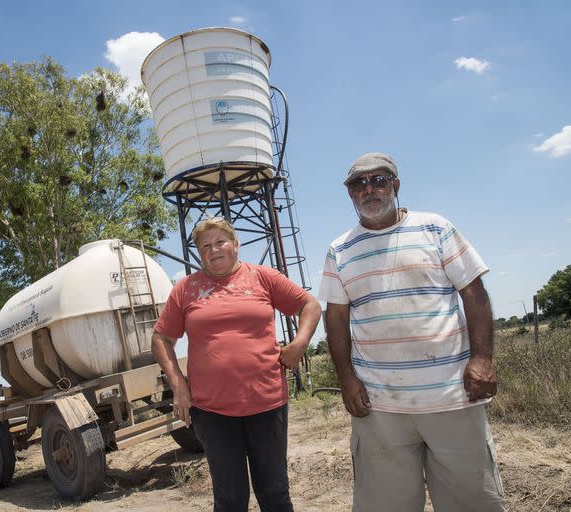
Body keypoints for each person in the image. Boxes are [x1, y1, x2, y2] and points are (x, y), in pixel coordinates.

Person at [318, 152, 505, 511]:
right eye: (359, 183)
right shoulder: (339, 250)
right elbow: (336, 319)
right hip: (380, 406)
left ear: (396, 186)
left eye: (379, 180)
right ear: (350, 194)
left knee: (472, 500)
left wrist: (482, 358)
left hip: (453, 395)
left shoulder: (435, 228)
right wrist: (347, 380)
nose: (369, 189)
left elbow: (473, 292)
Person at [152, 217, 321, 512]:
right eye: (205, 246)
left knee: (275, 495)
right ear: (198, 253)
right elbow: (161, 338)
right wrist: (178, 384)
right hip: (212, 411)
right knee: (230, 500)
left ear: (236, 244)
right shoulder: (186, 289)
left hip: (267, 405)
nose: (214, 250)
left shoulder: (262, 277)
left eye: (220, 242)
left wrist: (299, 344)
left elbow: (310, 305)